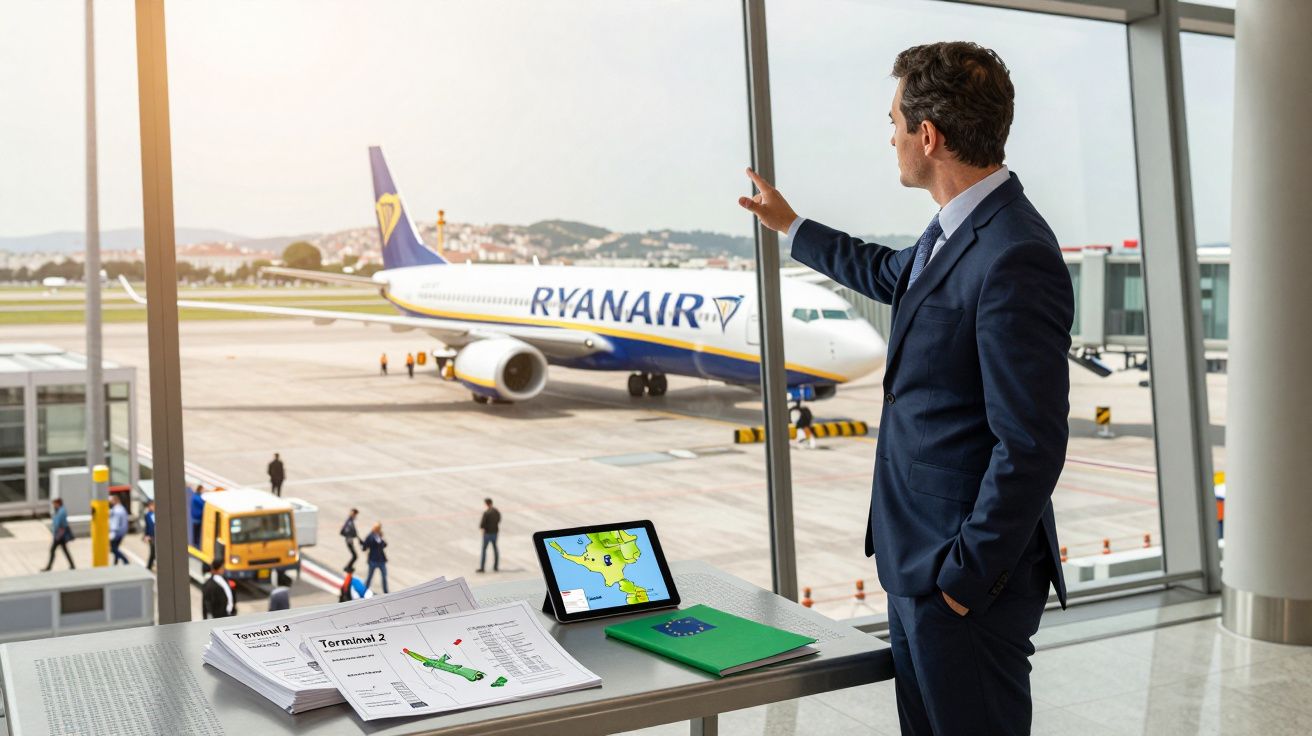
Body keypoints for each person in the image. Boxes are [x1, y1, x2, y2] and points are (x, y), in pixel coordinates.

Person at [738, 42, 1072, 736]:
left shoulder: (1015, 252)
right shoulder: (954, 231)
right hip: (919, 559)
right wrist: (792, 226)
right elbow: (891, 275)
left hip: (964, 581)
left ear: (929, 135)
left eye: (893, 120)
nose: (889, 136)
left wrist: (961, 581)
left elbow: (1031, 445)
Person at [42, 498, 75, 571]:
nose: (53, 505)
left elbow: (60, 523)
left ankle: (49, 567)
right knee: (64, 550)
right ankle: (72, 565)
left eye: (54, 504)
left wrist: (57, 532)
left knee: (52, 550)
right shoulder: (59, 510)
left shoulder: (61, 511)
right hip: (59, 534)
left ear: (58, 503)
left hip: (59, 534)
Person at [362, 523, 388, 593]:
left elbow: (385, 545)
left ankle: (386, 592)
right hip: (373, 560)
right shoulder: (370, 536)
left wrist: (382, 538)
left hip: (381, 560)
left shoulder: (379, 536)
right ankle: (364, 591)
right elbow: (364, 547)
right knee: (370, 577)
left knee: (384, 577)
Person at [477, 498, 501, 573]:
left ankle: (482, 567)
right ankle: (496, 566)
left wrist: (483, 528)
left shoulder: (486, 512)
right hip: (495, 532)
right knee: (495, 549)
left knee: (484, 550)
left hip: (487, 533)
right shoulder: (496, 511)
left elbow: (482, 524)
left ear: (487, 504)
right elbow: (499, 519)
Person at [109, 495, 130, 565]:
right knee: (116, 548)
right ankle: (115, 563)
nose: (110, 502)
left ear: (115, 501)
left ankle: (125, 560)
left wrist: (112, 533)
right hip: (122, 531)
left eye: (112, 501)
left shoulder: (117, 510)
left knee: (113, 548)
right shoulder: (122, 508)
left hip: (117, 532)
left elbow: (115, 523)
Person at [143, 500, 157, 571]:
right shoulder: (147, 515)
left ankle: (151, 565)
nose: (152, 507)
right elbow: (147, 526)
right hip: (151, 536)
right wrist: (146, 535)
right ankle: (148, 567)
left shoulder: (157, 514)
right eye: (151, 506)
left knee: (155, 552)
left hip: (157, 536)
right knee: (153, 552)